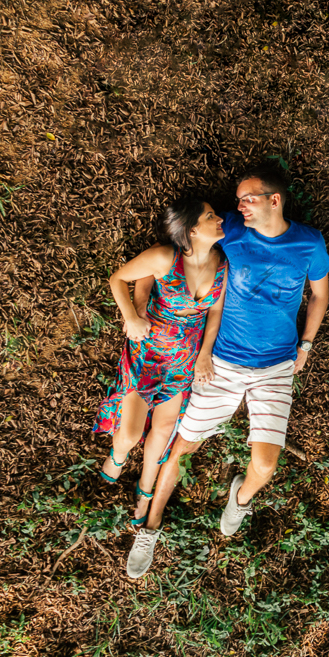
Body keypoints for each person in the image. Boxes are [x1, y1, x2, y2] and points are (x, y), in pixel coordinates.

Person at [126, 164, 329, 578]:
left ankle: (240, 499)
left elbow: (320, 296)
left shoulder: (309, 244)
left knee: (266, 466)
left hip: (276, 366)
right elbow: (180, 251)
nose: (237, 207)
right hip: (221, 363)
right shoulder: (231, 231)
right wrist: (138, 307)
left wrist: (306, 346)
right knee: (182, 447)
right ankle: (148, 527)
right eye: (237, 201)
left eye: (247, 199)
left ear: (274, 200)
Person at [93, 197, 227, 541]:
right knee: (131, 432)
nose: (221, 219)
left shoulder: (222, 264)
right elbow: (118, 279)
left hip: (185, 356)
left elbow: (214, 314)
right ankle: (118, 457)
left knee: (165, 430)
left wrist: (205, 355)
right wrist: (131, 318)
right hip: (149, 352)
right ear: (193, 230)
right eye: (212, 216)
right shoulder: (164, 257)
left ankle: (145, 489)